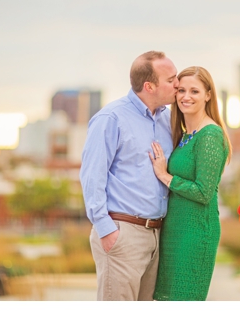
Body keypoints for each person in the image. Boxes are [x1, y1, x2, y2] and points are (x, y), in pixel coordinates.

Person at [80, 50, 179, 301]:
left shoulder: (168, 120)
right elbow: (92, 177)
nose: (178, 84)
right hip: (123, 233)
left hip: (157, 235)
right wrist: (106, 229)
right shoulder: (111, 118)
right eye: (171, 79)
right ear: (149, 86)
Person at [148, 66, 231, 301]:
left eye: (194, 91)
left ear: (208, 95)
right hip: (174, 231)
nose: (186, 96)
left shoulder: (210, 135)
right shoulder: (186, 135)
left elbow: (204, 192)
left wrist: (165, 176)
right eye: (181, 90)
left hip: (195, 234)